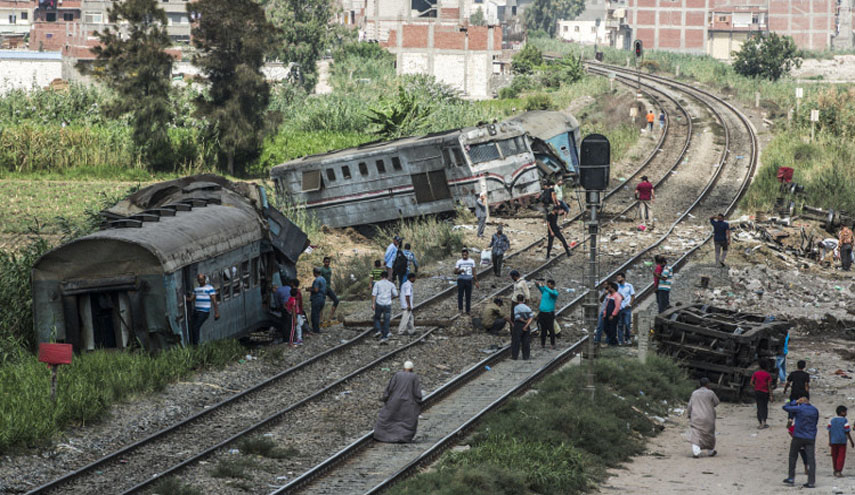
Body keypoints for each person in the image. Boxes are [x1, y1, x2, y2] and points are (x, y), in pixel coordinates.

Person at [374, 360, 423, 443]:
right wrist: (418, 401)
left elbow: (390, 388)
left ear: (403, 368)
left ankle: (383, 436)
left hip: (394, 401)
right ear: (412, 369)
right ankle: (403, 437)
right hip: (408, 403)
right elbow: (417, 392)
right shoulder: (414, 377)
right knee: (406, 421)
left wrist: (385, 398)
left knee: (388, 418)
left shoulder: (397, 375)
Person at [782, 396, 819, 488]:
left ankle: (791, 478)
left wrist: (794, 402)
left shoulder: (800, 408)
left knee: (793, 456)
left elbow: (785, 407)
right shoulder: (815, 410)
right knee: (811, 459)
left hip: (798, 435)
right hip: (810, 436)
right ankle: (811, 481)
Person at [687, 377, 719, 458]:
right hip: (709, 416)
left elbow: (690, 406)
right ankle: (711, 451)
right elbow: (716, 402)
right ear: (707, 384)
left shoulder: (694, 393)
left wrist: (689, 414)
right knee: (709, 434)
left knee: (696, 434)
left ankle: (696, 452)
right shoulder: (711, 393)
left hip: (696, 416)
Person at [185, 273, 220, 346]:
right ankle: (193, 343)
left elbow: (214, 301)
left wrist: (216, 312)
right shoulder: (196, 289)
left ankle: (195, 345)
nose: (200, 281)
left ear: (204, 279)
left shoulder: (209, 288)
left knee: (196, 327)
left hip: (204, 311)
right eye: (199, 280)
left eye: (201, 279)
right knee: (192, 326)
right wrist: (184, 298)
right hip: (197, 311)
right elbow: (191, 299)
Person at [371, 271, 397, 343]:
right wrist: (390, 297)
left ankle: (378, 330)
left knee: (377, 318)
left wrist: (373, 304)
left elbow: (374, 294)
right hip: (387, 304)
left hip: (379, 303)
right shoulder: (391, 284)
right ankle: (385, 336)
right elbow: (395, 294)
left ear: (381, 276)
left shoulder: (377, 283)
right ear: (387, 276)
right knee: (387, 320)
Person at [828, 405, 854, 477]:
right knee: (841, 456)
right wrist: (851, 441)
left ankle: (835, 469)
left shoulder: (832, 420)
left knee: (834, 455)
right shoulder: (844, 420)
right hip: (842, 441)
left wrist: (829, 440)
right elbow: (847, 431)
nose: (846, 413)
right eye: (845, 412)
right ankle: (839, 470)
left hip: (833, 440)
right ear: (842, 412)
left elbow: (829, 431)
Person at [535, 279, 559, 349]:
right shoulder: (545, 291)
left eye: (549, 285)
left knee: (551, 329)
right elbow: (539, 288)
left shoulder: (554, 293)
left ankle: (552, 343)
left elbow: (552, 293)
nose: (548, 286)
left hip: (549, 313)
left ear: (553, 285)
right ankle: (543, 344)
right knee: (543, 329)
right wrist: (537, 284)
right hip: (542, 313)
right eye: (547, 285)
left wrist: (545, 287)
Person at [750, 359, 774, 429]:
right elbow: (769, 386)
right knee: (764, 407)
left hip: (757, 392)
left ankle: (760, 422)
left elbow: (751, 383)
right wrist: (771, 395)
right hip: (765, 392)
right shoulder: (768, 375)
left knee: (759, 406)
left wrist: (756, 387)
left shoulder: (756, 373)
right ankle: (764, 422)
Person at [454, 248, 479, 314]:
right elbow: (455, 271)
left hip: (469, 280)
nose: (464, 256)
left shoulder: (472, 261)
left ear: (468, 254)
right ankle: (460, 309)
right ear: (462, 255)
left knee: (468, 296)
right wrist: (460, 271)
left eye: (465, 255)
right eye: (463, 255)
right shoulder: (459, 262)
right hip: (461, 280)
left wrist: (476, 281)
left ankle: (468, 310)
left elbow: (474, 272)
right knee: (460, 295)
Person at [615, 272, 636, 346]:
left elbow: (633, 296)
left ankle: (628, 338)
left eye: (619, 277)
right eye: (617, 278)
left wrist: (630, 304)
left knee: (627, 324)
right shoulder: (616, 287)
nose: (618, 279)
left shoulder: (629, 286)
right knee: (620, 324)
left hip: (627, 308)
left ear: (623, 278)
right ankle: (620, 340)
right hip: (619, 308)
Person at [512, 294, 534, 360]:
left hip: (518, 325)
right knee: (526, 341)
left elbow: (518, 317)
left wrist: (524, 322)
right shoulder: (527, 308)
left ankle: (515, 356)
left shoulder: (516, 307)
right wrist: (526, 325)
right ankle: (526, 356)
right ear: (523, 300)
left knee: (516, 341)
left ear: (517, 300)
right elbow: (531, 317)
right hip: (527, 326)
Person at [602, 281, 623, 346]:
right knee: (606, 328)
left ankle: (612, 343)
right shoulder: (609, 296)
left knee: (612, 329)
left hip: (613, 316)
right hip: (607, 315)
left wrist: (613, 315)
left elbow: (617, 306)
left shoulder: (617, 296)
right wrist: (605, 314)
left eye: (610, 287)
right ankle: (613, 341)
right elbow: (606, 305)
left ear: (613, 288)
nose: (608, 289)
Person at [307, 267, 327, 334]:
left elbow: (316, 290)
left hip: (317, 299)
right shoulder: (323, 279)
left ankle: (315, 330)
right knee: (318, 314)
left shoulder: (316, 280)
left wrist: (309, 289)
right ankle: (317, 329)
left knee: (314, 314)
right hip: (322, 299)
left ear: (315, 273)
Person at [319, 256, 339, 321]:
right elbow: (319, 278)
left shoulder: (329, 269)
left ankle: (330, 317)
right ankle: (321, 319)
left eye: (328, 262)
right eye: (326, 262)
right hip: (323, 288)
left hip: (328, 288)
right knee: (322, 303)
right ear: (323, 262)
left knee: (336, 300)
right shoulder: (321, 269)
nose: (327, 263)